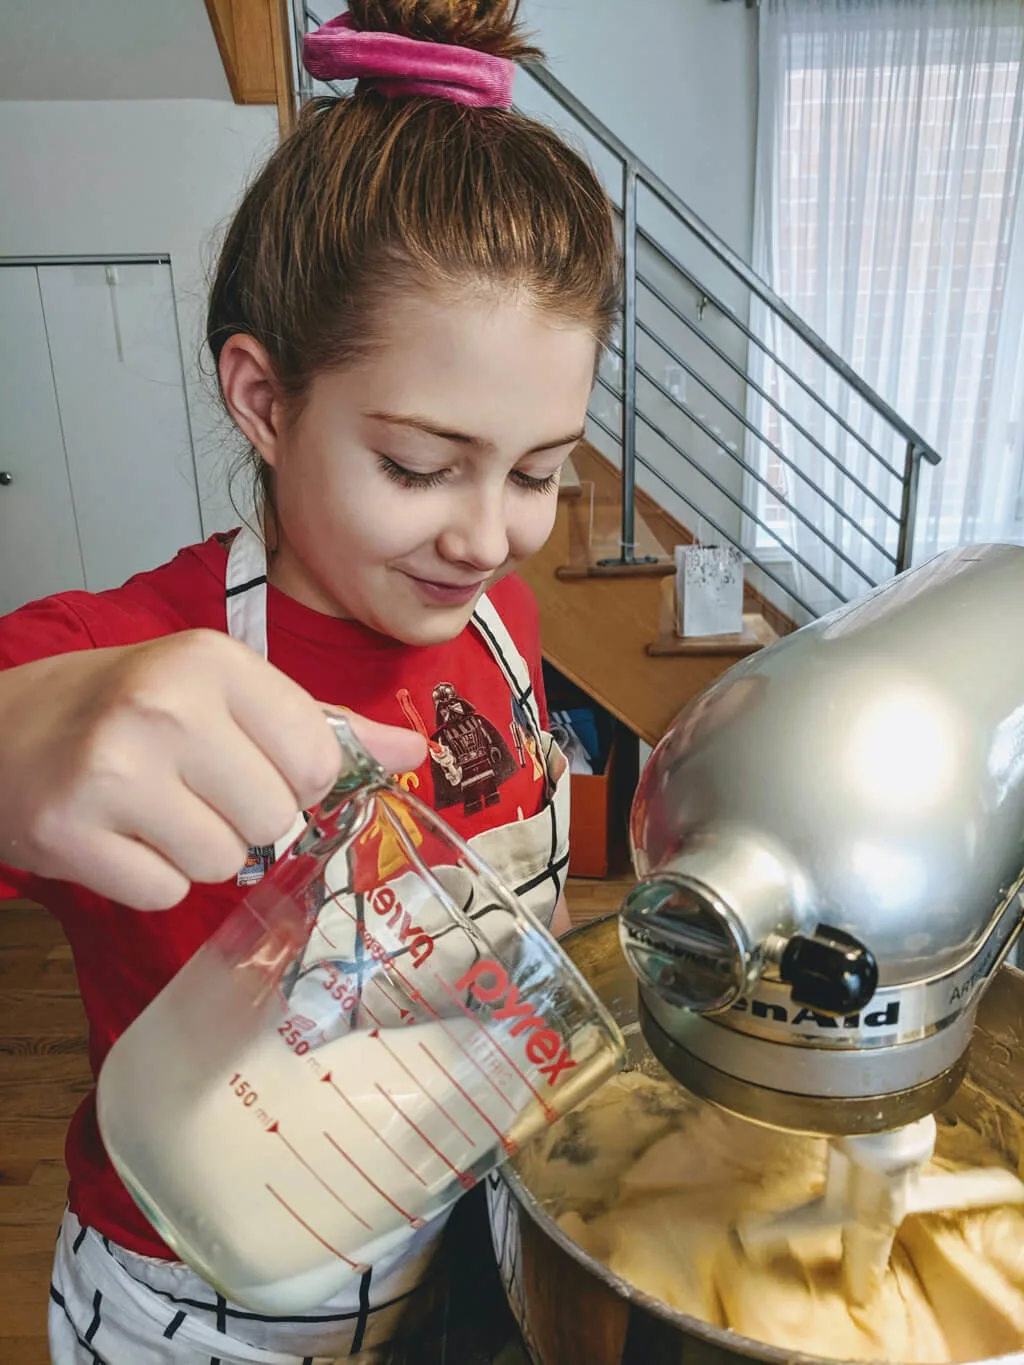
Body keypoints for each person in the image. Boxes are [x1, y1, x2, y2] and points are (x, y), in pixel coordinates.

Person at [0, 2, 619, 1360]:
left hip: (462, 1248)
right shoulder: (114, 655)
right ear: (265, 400)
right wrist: (17, 742)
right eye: (417, 464)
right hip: (205, 1307)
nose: (484, 534)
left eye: (538, 471)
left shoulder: (503, 619)